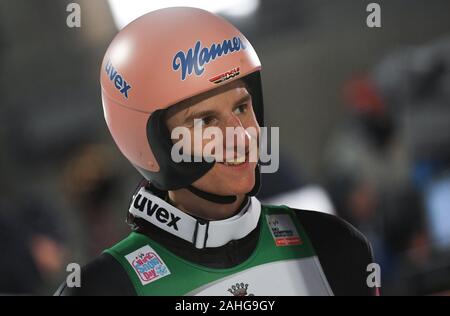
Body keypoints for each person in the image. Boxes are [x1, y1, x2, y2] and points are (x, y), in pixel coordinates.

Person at [56, 7, 375, 296]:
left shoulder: (334, 246)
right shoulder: (102, 290)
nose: (239, 135)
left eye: (242, 106)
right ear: (150, 142)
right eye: (205, 121)